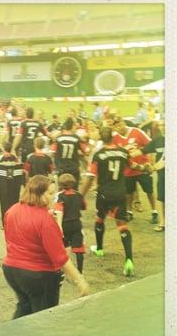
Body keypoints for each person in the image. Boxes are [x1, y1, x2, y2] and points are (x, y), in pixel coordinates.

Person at [2, 175, 89, 319]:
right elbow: (59, 257)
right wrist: (79, 280)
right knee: (44, 318)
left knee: (24, 307)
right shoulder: (45, 219)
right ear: (38, 193)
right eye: (50, 194)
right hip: (38, 275)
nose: (54, 198)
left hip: (11, 270)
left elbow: (9, 239)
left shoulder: (12, 210)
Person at [81, 127, 135, 276]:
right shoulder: (123, 152)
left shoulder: (99, 155)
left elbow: (90, 176)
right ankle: (129, 260)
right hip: (120, 194)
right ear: (113, 137)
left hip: (104, 194)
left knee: (100, 218)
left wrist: (81, 195)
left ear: (100, 138)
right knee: (122, 225)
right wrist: (145, 167)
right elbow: (133, 165)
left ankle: (99, 249)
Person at [112, 116, 158, 223]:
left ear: (124, 122)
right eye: (116, 126)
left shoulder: (137, 132)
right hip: (128, 171)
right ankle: (129, 212)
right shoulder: (115, 138)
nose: (119, 127)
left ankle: (154, 211)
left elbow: (151, 145)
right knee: (129, 192)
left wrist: (150, 162)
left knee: (149, 191)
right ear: (114, 128)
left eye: (120, 124)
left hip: (143, 168)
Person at [129, 120, 165, 231]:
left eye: (165, 125)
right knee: (163, 199)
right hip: (162, 176)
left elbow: (165, 161)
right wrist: (126, 155)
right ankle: (163, 223)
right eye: (161, 125)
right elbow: (143, 150)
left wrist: (151, 168)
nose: (163, 127)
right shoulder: (158, 140)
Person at [54, 174, 86, 273]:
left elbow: (59, 211)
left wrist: (59, 226)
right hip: (77, 223)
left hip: (65, 224)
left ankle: (64, 270)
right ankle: (80, 271)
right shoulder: (79, 195)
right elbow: (84, 207)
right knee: (79, 248)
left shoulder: (60, 196)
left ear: (61, 184)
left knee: (64, 247)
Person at [50, 117, 89, 188]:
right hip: (73, 169)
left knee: (62, 190)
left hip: (61, 168)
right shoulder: (77, 138)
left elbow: (52, 152)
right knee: (74, 190)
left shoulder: (58, 138)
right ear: (72, 126)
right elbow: (87, 151)